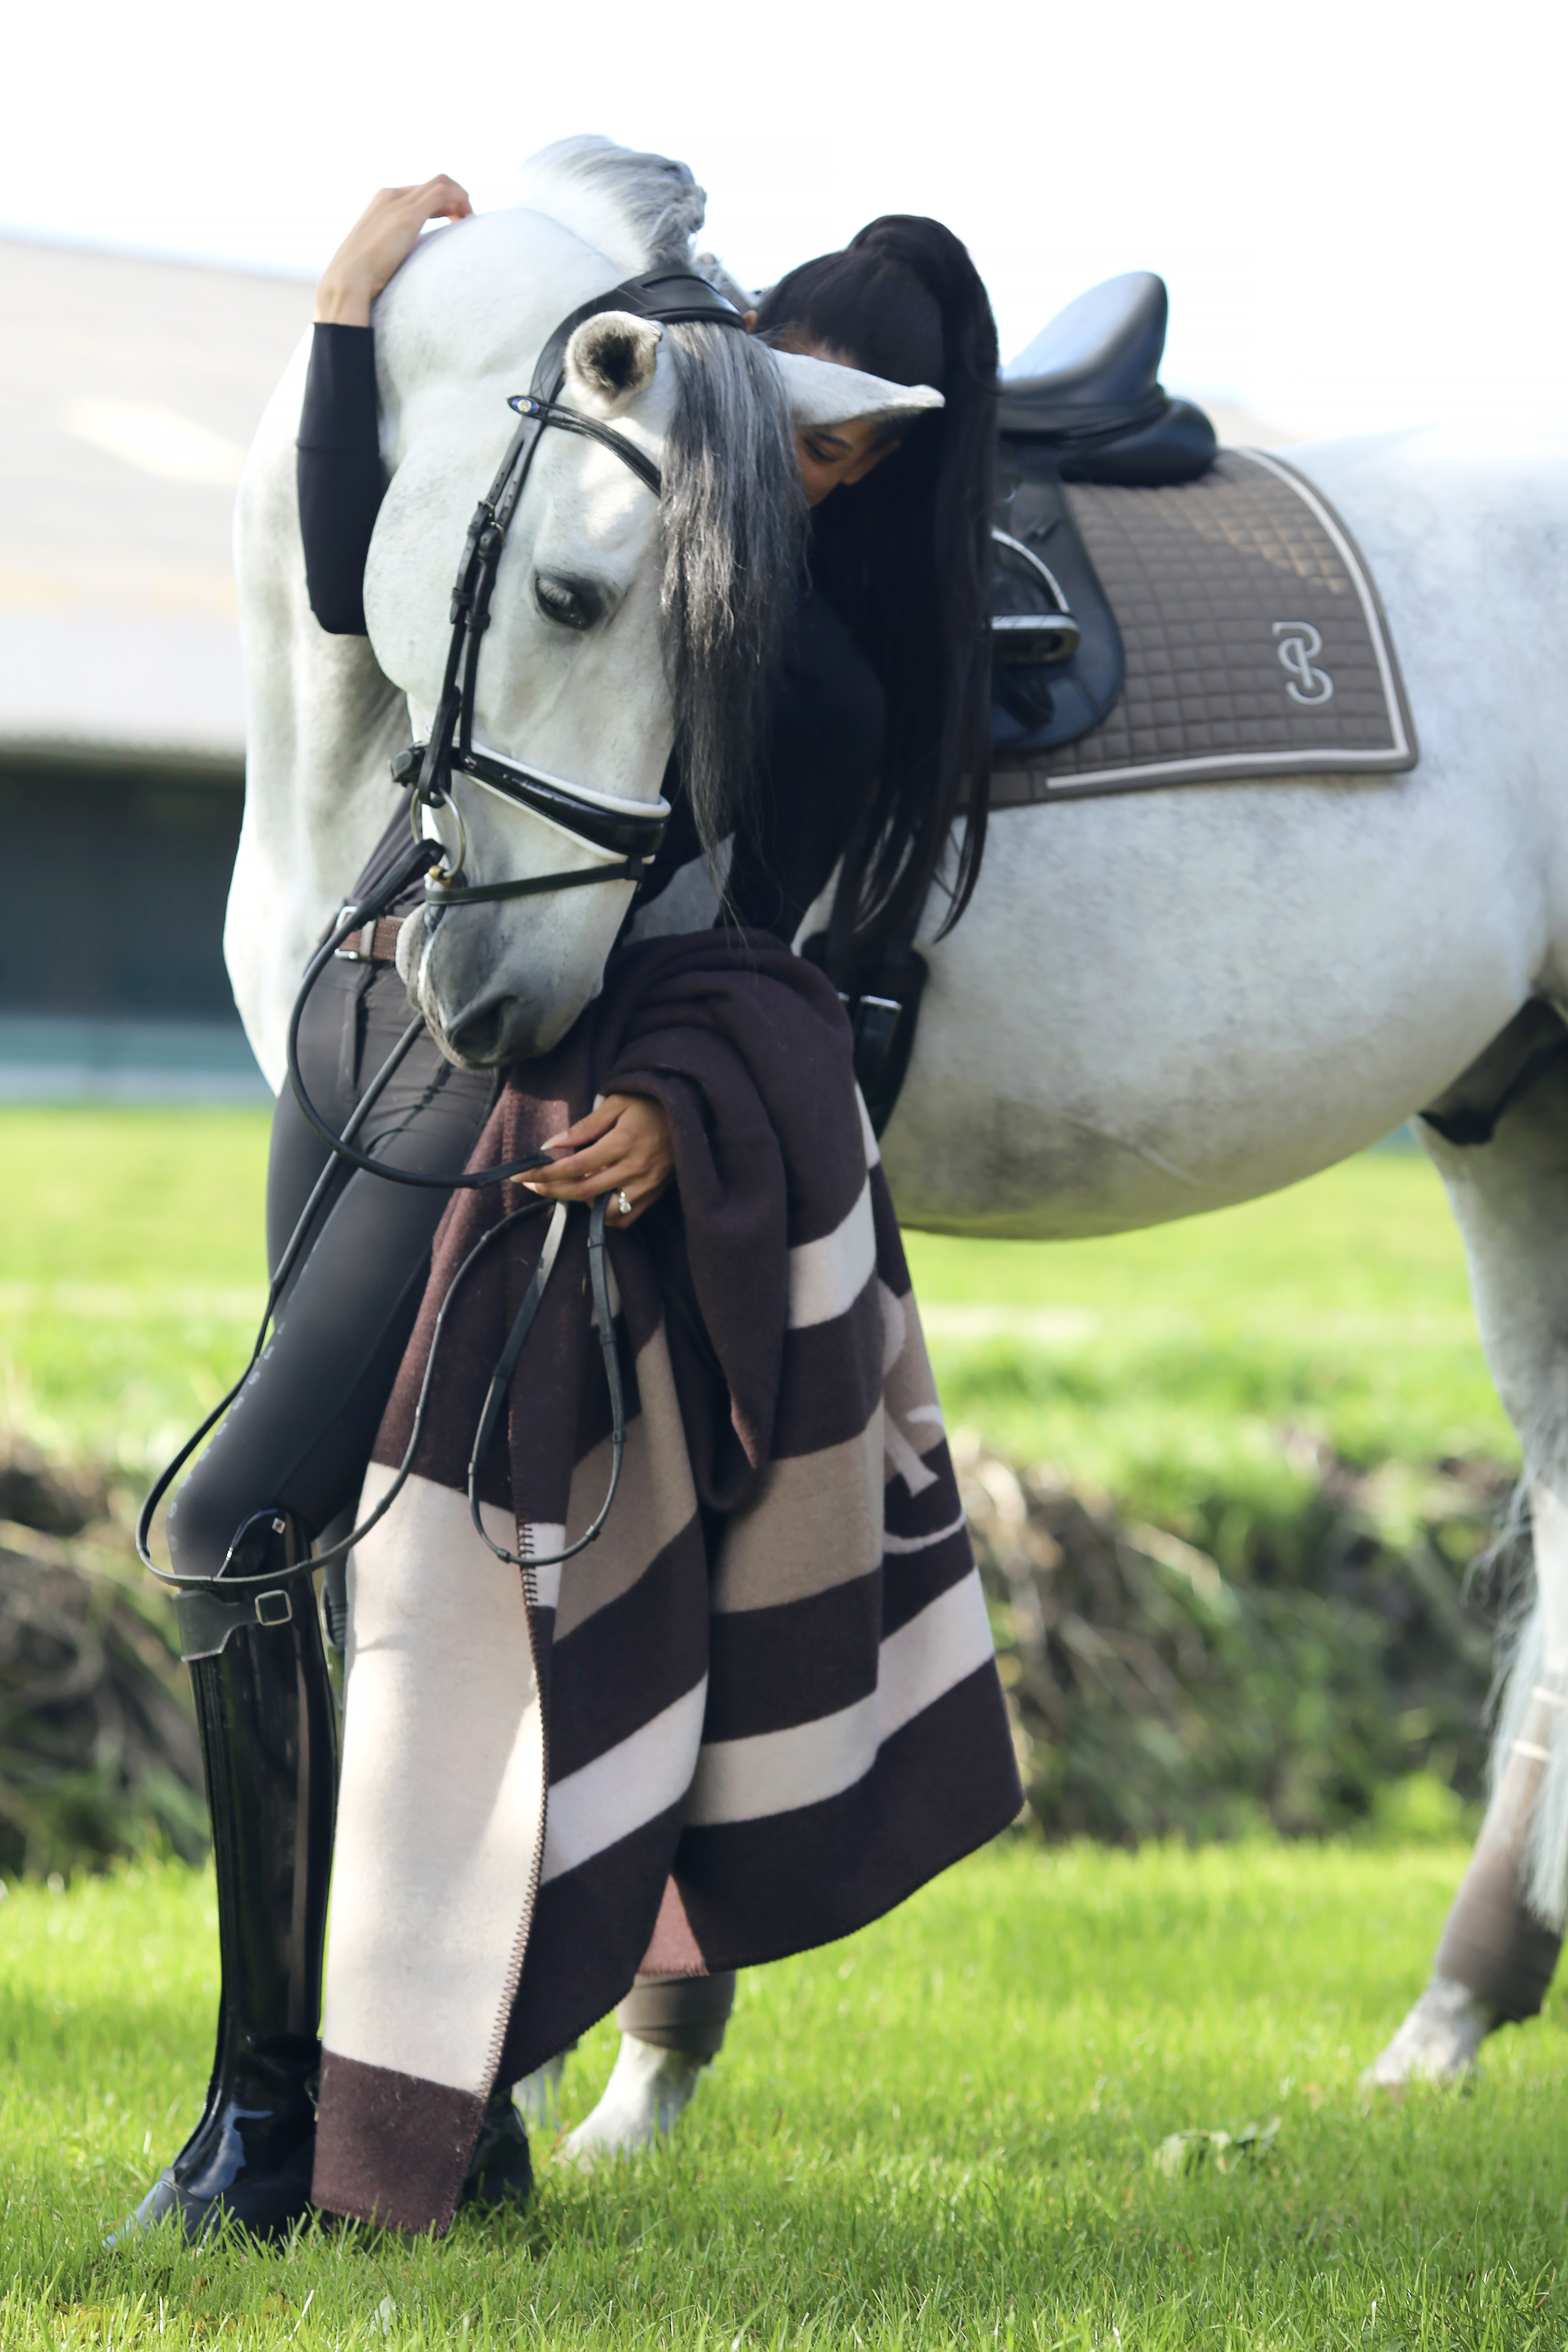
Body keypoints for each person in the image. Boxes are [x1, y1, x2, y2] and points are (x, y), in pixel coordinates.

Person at [128, 174, 999, 2241]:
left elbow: (764, 965)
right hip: (369, 988)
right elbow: (358, 588)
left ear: (879, 445)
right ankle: (438, 2123)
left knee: (223, 1527)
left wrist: (675, 1118)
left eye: (839, 428)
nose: (800, 451)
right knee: (327, 1559)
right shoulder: (612, 510)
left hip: (511, 1083)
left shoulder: (815, 677)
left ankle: (268, 2121)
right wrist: (346, 318)